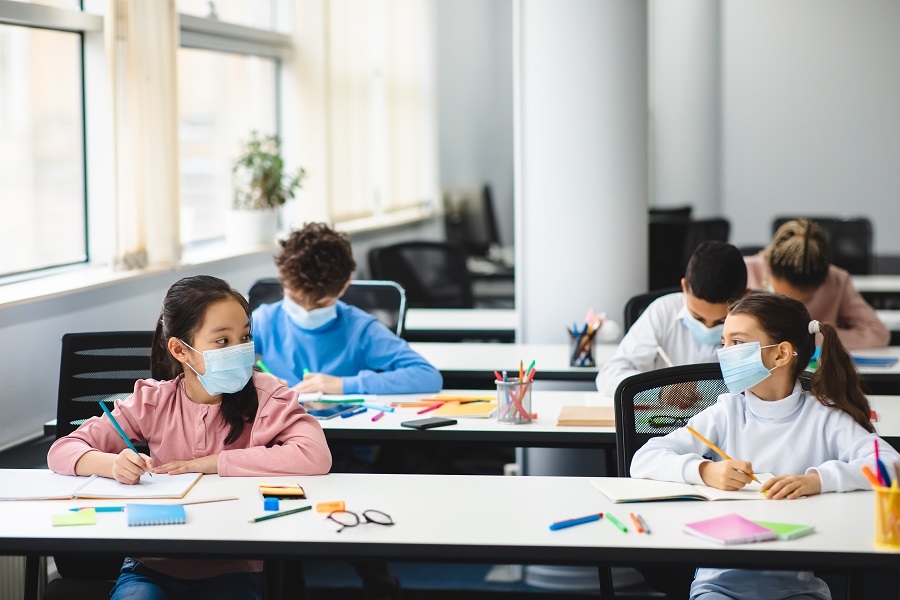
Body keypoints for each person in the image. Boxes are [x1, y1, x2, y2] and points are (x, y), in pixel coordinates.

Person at [48, 275, 332, 600]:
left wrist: (215, 463)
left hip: (230, 569)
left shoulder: (268, 394)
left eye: (245, 336)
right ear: (180, 350)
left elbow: (315, 455)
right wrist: (112, 464)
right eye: (222, 342)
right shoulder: (154, 401)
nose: (239, 350)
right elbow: (62, 450)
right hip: (149, 567)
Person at [631, 293, 899, 600]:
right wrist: (704, 470)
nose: (724, 353)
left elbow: (891, 466)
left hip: (796, 588)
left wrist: (818, 480)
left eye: (737, 342)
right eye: (724, 342)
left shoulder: (823, 416)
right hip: (718, 584)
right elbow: (644, 459)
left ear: (781, 354)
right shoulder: (728, 410)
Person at [252, 222, 442, 395]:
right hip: (281, 430)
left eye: (319, 303)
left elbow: (427, 376)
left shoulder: (361, 329)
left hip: (343, 429)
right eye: (295, 298)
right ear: (282, 281)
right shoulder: (264, 321)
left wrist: (343, 385)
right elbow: (222, 364)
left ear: (344, 287)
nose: (306, 309)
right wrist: (256, 382)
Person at [596, 241, 748, 397]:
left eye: (721, 321)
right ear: (684, 288)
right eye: (697, 317)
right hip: (666, 418)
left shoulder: (760, 326)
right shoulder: (663, 311)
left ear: (745, 297)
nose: (707, 328)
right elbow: (609, 375)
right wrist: (659, 390)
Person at [745, 218, 888, 349]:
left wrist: (816, 337)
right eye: (783, 298)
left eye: (805, 301)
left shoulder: (837, 280)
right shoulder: (744, 271)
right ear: (769, 267)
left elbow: (877, 333)